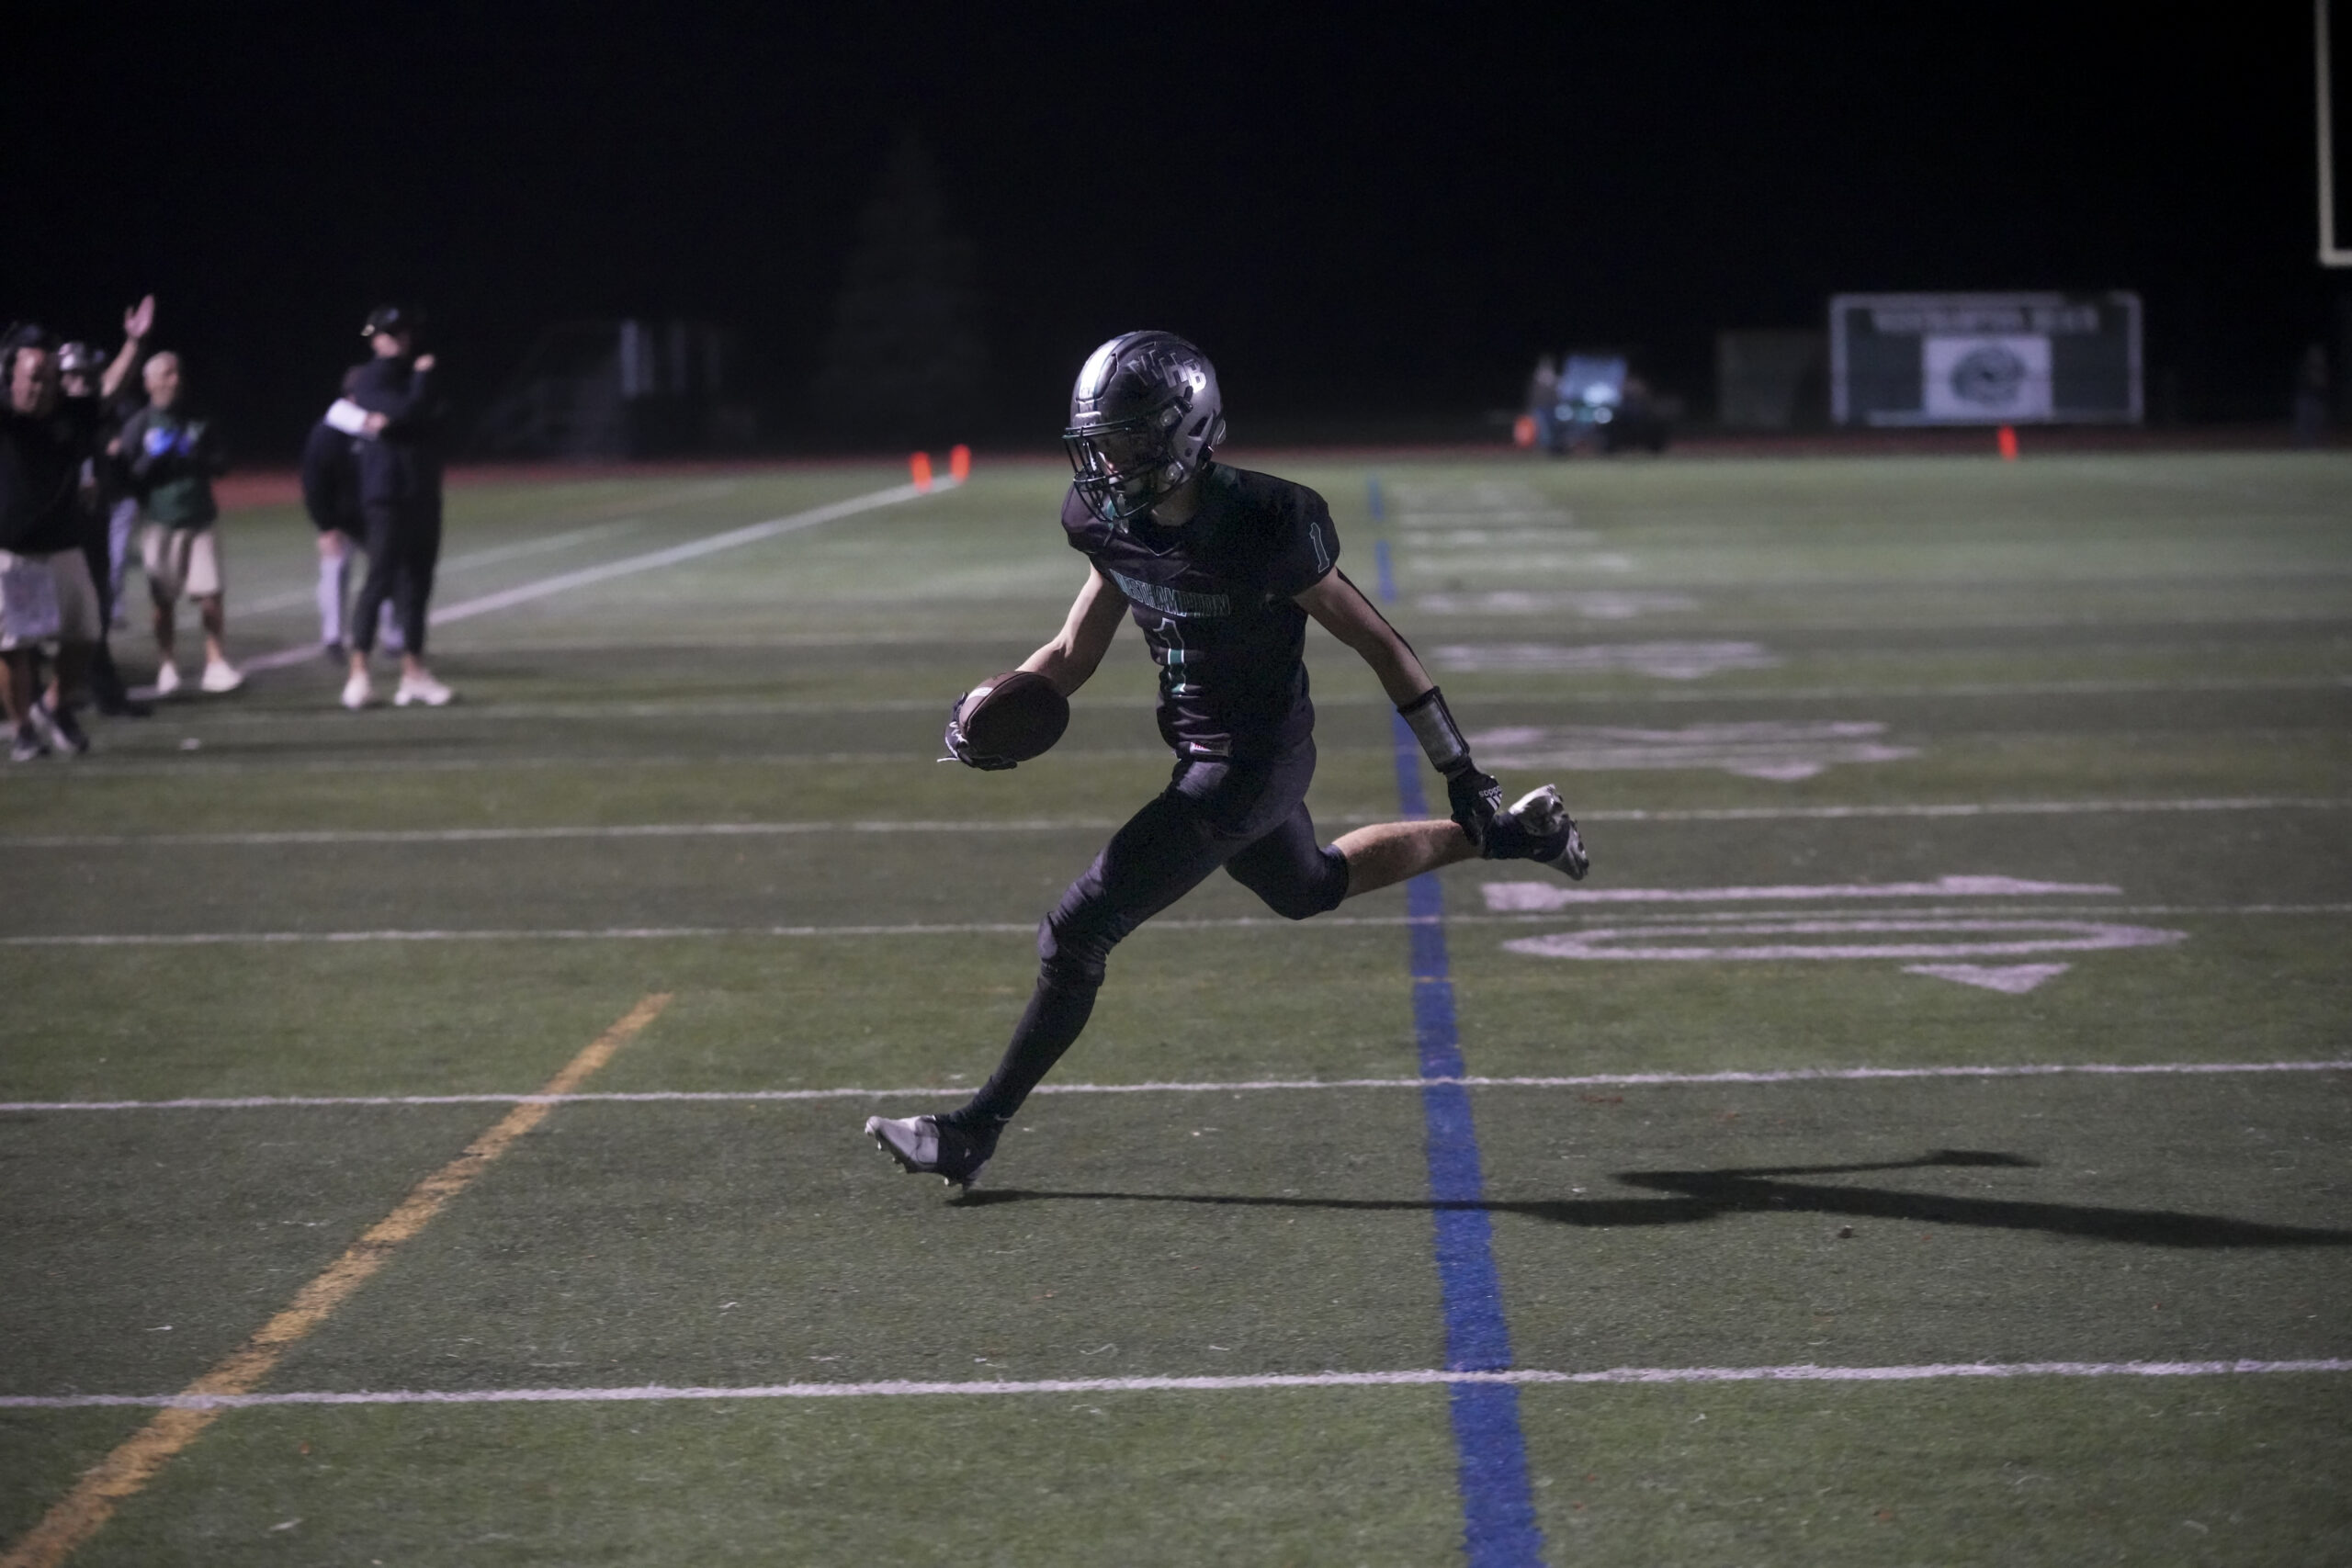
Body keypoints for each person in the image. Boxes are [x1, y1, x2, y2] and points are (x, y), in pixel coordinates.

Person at [865, 331, 1589, 1190]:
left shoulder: (1268, 522)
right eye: (1099, 438)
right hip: (1201, 751)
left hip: (1255, 762)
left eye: (1127, 437)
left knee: (1076, 933)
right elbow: (1070, 650)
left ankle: (972, 1131)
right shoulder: (1107, 518)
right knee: (1310, 887)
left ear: (1185, 433)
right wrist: (994, 702)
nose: (1106, 458)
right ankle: (1512, 838)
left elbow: (1380, 643)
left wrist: (1459, 767)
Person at [0, 326, 108, 759]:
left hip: (64, 547)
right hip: (18, 550)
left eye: (47, 374)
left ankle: (54, 704)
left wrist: (136, 345)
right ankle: (23, 729)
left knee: (85, 635)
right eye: (33, 374)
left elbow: (112, 390)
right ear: (12, 375)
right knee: (17, 647)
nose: (40, 383)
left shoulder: (71, 414)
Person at [341, 305, 452, 708]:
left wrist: (405, 414)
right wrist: (417, 391)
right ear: (376, 339)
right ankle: (358, 674)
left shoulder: (418, 376)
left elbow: (431, 417)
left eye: (403, 331)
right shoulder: (371, 377)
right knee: (379, 581)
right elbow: (408, 411)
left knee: (418, 586)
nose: (400, 338)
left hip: (422, 492)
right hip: (386, 495)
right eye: (391, 332)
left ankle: (414, 674)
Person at [119, 352, 240, 695]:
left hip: (201, 518)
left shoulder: (198, 419)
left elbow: (223, 464)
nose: (175, 379)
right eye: (167, 373)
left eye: (177, 372)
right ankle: (167, 664)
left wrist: (197, 453)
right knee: (163, 602)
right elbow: (128, 477)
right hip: (160, 522)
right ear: (150, 382)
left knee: (211, 596)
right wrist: (152, 458)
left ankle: (216, 663)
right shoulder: (140, 424)